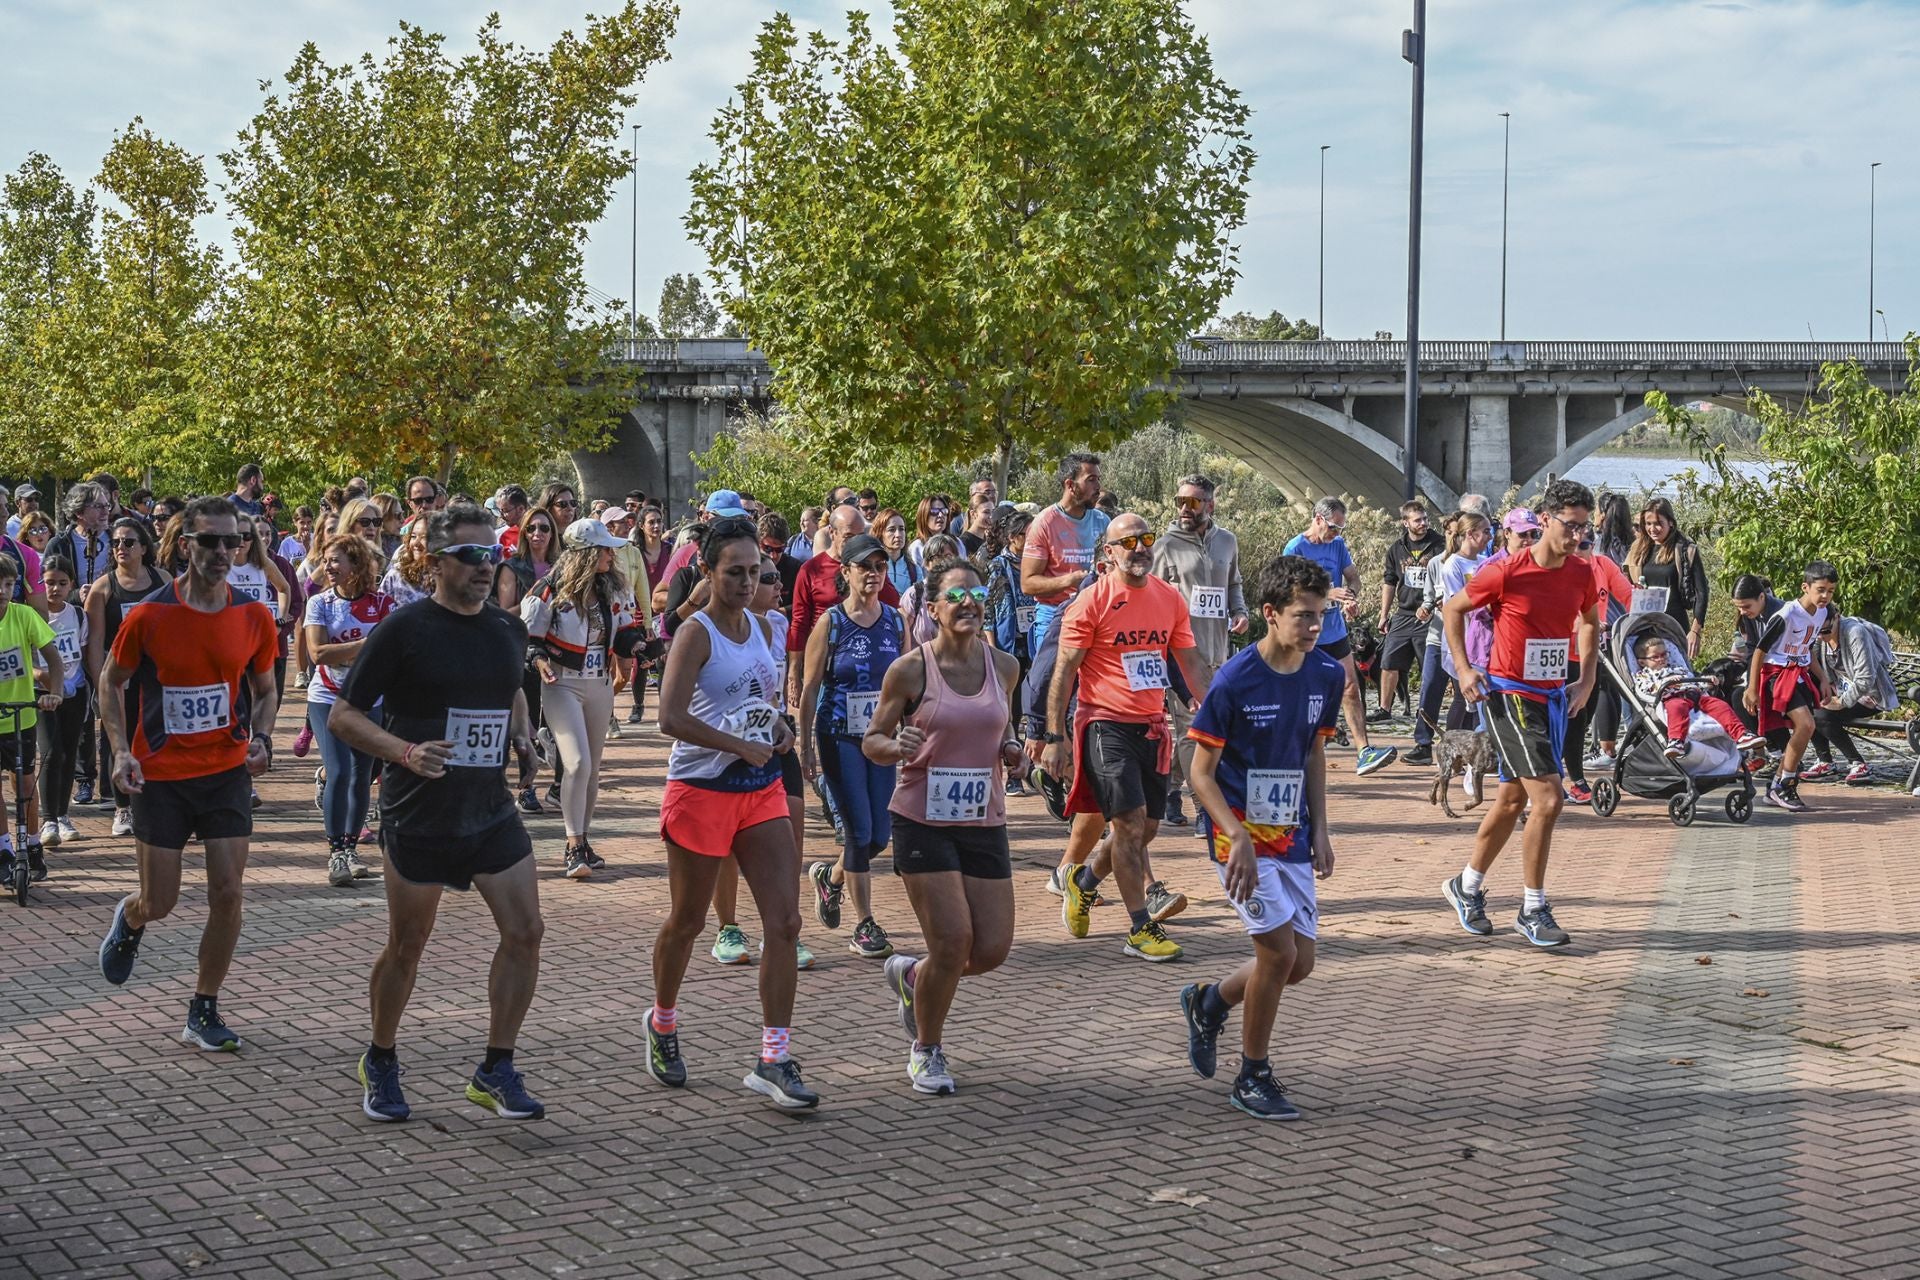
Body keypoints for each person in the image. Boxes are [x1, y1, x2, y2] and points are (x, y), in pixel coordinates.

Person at [327, 502, 547, 1123]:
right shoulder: (405, 630)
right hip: (418, 810)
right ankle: (382, 1055)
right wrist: (404, 751)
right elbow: (344, 715)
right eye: (473, 556)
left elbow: (506, 689)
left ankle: (496, 1067)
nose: (487, 568)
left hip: (488, 810)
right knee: (407, 947)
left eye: (494, 556)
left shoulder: (509, 630)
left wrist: (523, 738)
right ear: (436, 560)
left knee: (526, 931)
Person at [95, 497, 278, 1052]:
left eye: (233, 541)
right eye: (211, 541)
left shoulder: (253, 616)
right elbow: (110, 683)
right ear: (185, 546)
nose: (224, 551)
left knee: (228, 892)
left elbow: (266, 690)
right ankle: (131, 917)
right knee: (163, 901)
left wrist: (264, 739)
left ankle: (204, 1008)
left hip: (225, 771)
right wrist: (121, 751)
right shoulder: (149, 615)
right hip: (162, 777)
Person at [650, 515, 817, 1111]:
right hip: (700, 789)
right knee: (688, 922)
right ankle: (663, 1021)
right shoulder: (696, 634)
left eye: (757, 572)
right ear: (708, 571)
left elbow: (762, 702)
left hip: (761, 786)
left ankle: (774, 1057)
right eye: (736, 572)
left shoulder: (768, 627)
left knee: (785, 922)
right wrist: (735, 743)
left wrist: (777, 729)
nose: (749, 583)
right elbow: (669, 718)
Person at [1179, 554, 1343, 1120]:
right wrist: (1235, 835)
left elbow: (1314, 752)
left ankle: (1209, 1001)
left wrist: (1321, 828)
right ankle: (1253, 1074)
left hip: (1291, 832)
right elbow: (1198, 773)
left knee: (1300, 963)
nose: (1314, 627)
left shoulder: (1326, 674)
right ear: (1270, 614)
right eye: (1303, 616)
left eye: (1319, 615)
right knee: (1275, 953)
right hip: (1238, 836)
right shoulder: (1235, 680)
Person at [861, 557, 1023, 1095]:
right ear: (931, 609)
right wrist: (895, 744)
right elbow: (873, 739)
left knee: (993, 949)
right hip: (920, 820)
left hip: (983, 818)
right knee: (953, 942)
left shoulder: (1004, 667)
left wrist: (1013, 750)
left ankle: (913, 976)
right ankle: (927, 1048)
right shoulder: (910, 669)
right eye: (956, 596)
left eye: (976, 594)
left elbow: (1002, 730)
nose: (969, 603)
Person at [1046, 513, 1214, 961]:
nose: (1139, 548)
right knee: (1129, 823)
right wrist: (1051, 734)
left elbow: (1191, 663)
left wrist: (1218, 716)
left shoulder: (1169, 598)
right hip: (1103, 723)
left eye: (1145, 539)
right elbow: (1064, 671)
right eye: (1128, 541)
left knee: (1146, 831)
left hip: (1152, 726)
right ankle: (1139, 928)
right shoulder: (1092, 602)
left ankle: (1082, 884)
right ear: (1109, 553)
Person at [1440, 479, 1600, 949]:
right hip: (1509, 694)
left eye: (1584, 530)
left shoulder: (1581, 573)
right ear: (1546, 519)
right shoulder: (1507, 570)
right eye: (1570, 527)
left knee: (1512, 801)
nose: (1576, 538)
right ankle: (1533, 909)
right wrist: (1466, 670)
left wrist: (1586, 678)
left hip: (1552, 697)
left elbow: (1589, 621)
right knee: (1549, 799)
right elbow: (1453, 609)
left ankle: (1465, 887)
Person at [799, 532, 905, 958]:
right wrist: (805, 747)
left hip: (882, 740)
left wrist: (915, 731)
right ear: (846, 572)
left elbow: (910, 683)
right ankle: (865, 925)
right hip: (839, 735)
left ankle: (832, 877)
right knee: (858, 832)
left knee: (880, 835)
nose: (874, 575)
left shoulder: (896, 621)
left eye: (880, 567)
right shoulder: (832, 622)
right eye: (865, 567)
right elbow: (808, 688)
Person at [522, 518, 644, 876]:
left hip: (600, 683)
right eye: (604, 548)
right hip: (563, 684)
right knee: (576, 763)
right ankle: (573, 844)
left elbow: (625, 632)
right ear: (584, 554)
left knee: (592, 770)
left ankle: (584, 840)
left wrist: (638, 646)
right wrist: (540, 661)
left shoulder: (615, 588)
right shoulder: (548, 590)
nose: (611, 554)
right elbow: (531, 642)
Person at [1151, 474, 1248, 830]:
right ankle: (1204, 805)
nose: (1184, 509)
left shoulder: (1227, 541)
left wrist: (1241, 612)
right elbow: (1153, 595)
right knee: (1192, 728)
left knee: (1204, 727)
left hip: (1218, 650)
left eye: (1192, 502)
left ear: (1210, 503)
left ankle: (1170, 788)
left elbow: (1234, 583)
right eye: (1179, 501)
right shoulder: (1164, 545)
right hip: (1183, 655)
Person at [305, 534, 398, 885]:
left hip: (369, 700)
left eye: (335, 560)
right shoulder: (321, 604)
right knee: (339, 771)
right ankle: (336, 854)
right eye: (326, 560)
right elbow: (318, 654)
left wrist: (348, 649)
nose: (327, 567)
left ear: (356, 565)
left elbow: (389, 652)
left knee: (363, 777)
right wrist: (367, 645)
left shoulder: (383, 604)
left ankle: (352, 849)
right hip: (327, 698)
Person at [1284, 498, 1396, 775]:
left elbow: (1354, 579)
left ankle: (1364, 752)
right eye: (1334, 527)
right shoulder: (1295, 547)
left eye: (1341, 529)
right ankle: (1294, 754)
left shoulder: (1338, 546)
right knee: (1304, 695)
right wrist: (1327, 594)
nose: (1337, 534)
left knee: (1350, 688)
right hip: (1304, 634)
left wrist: (1351, 598)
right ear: (1318, 519)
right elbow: (1286, 592)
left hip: (1334, 631)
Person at [83, 518, 163, 837]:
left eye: (128, 542)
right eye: (116, 542)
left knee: (156, 738)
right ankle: (123, 808)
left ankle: (158, 804)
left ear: (144, 547)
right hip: (118, 676)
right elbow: (95, 644)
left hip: (155, 678)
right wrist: (100, 682)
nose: (121, 548)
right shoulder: (104, 587)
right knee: (118, 740)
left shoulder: (163, 581)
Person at [786, 505, 901, 705]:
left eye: (860, 535)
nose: (856, 542)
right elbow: (799, 621)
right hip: (825, 660)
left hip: (866, 659)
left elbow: (894, 606)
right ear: (832, 532)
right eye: (849, 536)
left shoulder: (872, 569)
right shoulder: (811, 570)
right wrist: (794, 672)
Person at [1746, 561, 1836, 813]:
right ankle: (1785, 784)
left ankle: (1777, 785)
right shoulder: (1786, 614)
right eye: (1820, 590)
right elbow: (1760, 651)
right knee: (1806, 725)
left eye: (1830, 591)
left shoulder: (1822, 613)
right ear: (1805, 587)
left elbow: (1807, 648)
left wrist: (1824, 679)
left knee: (1803, 730)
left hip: (1799, 674)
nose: (1825, 596)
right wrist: (1752, 688)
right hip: (1777, 675)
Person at [0, 555, 62, 882]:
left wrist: (56, 692)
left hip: (21, 715)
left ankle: (32, 844)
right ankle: (3, 849)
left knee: (25, 784)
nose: (2, 590)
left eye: (8, 584)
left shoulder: (23, 616)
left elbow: (53, 657)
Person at [1021, 453, 1109, 643]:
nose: (1098, 487)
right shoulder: (1044, 523)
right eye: (1091, 480)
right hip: (1054, 618)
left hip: (1096, 617)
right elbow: (1028, 584)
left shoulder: (1103, 522)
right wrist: (1071, 580)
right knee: (1052, 674)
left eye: (1098, 480)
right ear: (1070, 485)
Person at [1634, 632, 1764, 759]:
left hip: (1696, 695)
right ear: (1642, 662)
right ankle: (1676, 741)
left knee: (1720, 705)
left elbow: (1695, 681)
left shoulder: (1678, 668)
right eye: (1655, 657)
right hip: (1673, 697)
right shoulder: (1644, 675)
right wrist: (1665, 683)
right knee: (1676, 708)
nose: (1661, 659)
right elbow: (1644, 689)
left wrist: (1708, 681)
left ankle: (1741, 734)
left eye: (1664, 654)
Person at [1807, 608, 1900, 784]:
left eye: (1825, 631)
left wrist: (1841, 702)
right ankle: (1825, 762)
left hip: (1870, 696)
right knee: (1806, 708)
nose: (1820, 636)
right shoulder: (1821, 636)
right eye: (1817, 632)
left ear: (1837, 618)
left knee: (1821, 714)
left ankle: (1858, 763)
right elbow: (1815, 663)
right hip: (1842, 690)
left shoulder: (1855, 633)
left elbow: (1866, 678)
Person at [35, 557, 90, 850]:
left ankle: (63, 815)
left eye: (61, 583)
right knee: (51, 752)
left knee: (69, 753)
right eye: (49, 582)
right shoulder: (33, 616)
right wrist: (42, 676)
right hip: (41, 693)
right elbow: (24, 658)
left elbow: (84, 655)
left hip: (74, 691)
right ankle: (48, 819)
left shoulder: (79, 616)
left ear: (71, 585)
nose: (54, 589)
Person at [1375, 500, 1444, 724]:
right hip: (1404, 614)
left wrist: (1434, 605)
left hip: (1430, 614)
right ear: (1406, 523)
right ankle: (1384, 709)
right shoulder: (1397, 548)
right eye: (1418, 520)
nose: (1423, 523)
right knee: (1388, 661)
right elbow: (1389, 581)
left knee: (1428, 666)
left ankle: (1423, 710)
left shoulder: (1439, 545)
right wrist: (1383, 614)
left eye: (1425, 519)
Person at [1624, 498, 1709, 659]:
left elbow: (1701, 592)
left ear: (1670, 522)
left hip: (1674, 625)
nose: (1652, 528)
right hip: (1645, 626)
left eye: (1658, 523)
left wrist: (1695, 631)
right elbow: (1625, 583)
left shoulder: (1685, 550)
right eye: (1648, 523)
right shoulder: (1638, 549)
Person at [899, 534, 964, 645]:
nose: (944, 562)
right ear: (927, 564)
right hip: (920, 660)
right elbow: (900, 636)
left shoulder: (963, 595)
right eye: (937, 557)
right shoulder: (914, 594)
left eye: (948, 556)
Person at [875, 507, 918, 597]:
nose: (898, 535)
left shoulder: (915, 570)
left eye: (901, 529)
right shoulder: (873, 567)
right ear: (880, 533)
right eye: (891, 530)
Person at [907, 494, 954, 573]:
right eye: (934, 511)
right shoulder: (917, 548)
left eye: (944, 511)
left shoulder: (957, 543)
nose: (940, 515)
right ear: (923, 515)